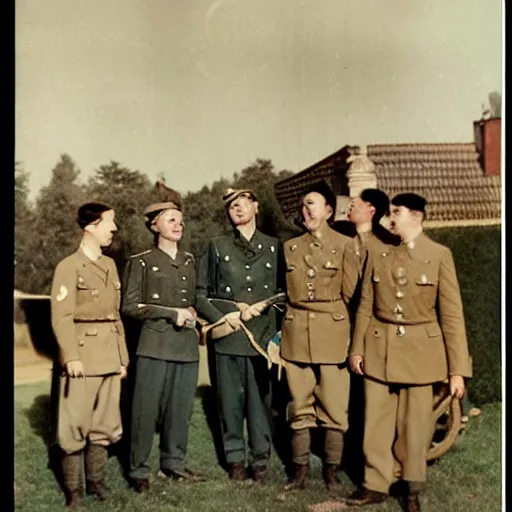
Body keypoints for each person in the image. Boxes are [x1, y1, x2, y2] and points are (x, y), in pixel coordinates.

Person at [344, 193, 472, 512]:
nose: (390, 219)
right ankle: (375, 484)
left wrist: (457, 370)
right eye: (390, 213)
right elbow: (365, 307)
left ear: (417, 216)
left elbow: (452, 315)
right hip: (378, 348)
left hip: (421, 350)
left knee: (415, 426)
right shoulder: (380, 253)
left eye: (396, 213)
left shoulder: (440, 255)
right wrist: (357, 349)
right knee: (376, 422)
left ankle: (410, 485)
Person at [195, 187, 285, 483]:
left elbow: (285, 294)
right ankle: (235, 458)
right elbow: (201, 295)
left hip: (262, 338)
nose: (237, 208)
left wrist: (276, 331)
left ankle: (260, 459)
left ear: (256, 207)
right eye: (232, 205)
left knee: (261, 401)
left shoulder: (275, 246)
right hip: (230, 334)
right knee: (229, 402)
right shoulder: (217, 246)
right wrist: (232, 310)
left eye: (243, 202)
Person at [279, 180, 359, 492]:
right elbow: (284, 294)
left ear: (328, 210)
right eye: (302, 205)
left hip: (334, 334)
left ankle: (330, 471)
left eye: (311, 204)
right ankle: (299, 471)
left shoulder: (345, 245)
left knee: (335, 408)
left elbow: (352, 296)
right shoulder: (291, 247)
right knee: (299, 406)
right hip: (296, 333)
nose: (305, 210)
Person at [121, 200, 205, 493]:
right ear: (154, 225)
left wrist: (195, 314)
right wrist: (171, 313)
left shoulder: (190, 260)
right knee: (145, 411)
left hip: (186, 347)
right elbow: (130, 305)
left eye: (180, 220)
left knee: (180, 410)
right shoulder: (141, 261)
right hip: (154, 344)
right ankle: (138, 470)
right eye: (171, 220)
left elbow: (195, 300)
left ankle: (174, 464)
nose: (178, 225)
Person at [50, 202, 129, 508]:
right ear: (91, 226)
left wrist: (122, 357)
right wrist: (71, 357)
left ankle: (95, 481)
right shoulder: (69, 266)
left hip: (109, 355)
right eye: (110, 222)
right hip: (82, 356)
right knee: (74, 424)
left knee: (106, 423)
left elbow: (115, 314)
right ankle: (73, 492)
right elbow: (61, 316)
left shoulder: (109, 265)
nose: (115, 228)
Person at [336, 189, 400, 484]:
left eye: (355, 204)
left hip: (376, 329)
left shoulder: (388, 244)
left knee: (374, 400)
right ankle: (352, 456)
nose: (349, 208)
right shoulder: (343, 239)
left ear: (372, 209)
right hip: (344, 323)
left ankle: (385, 461)